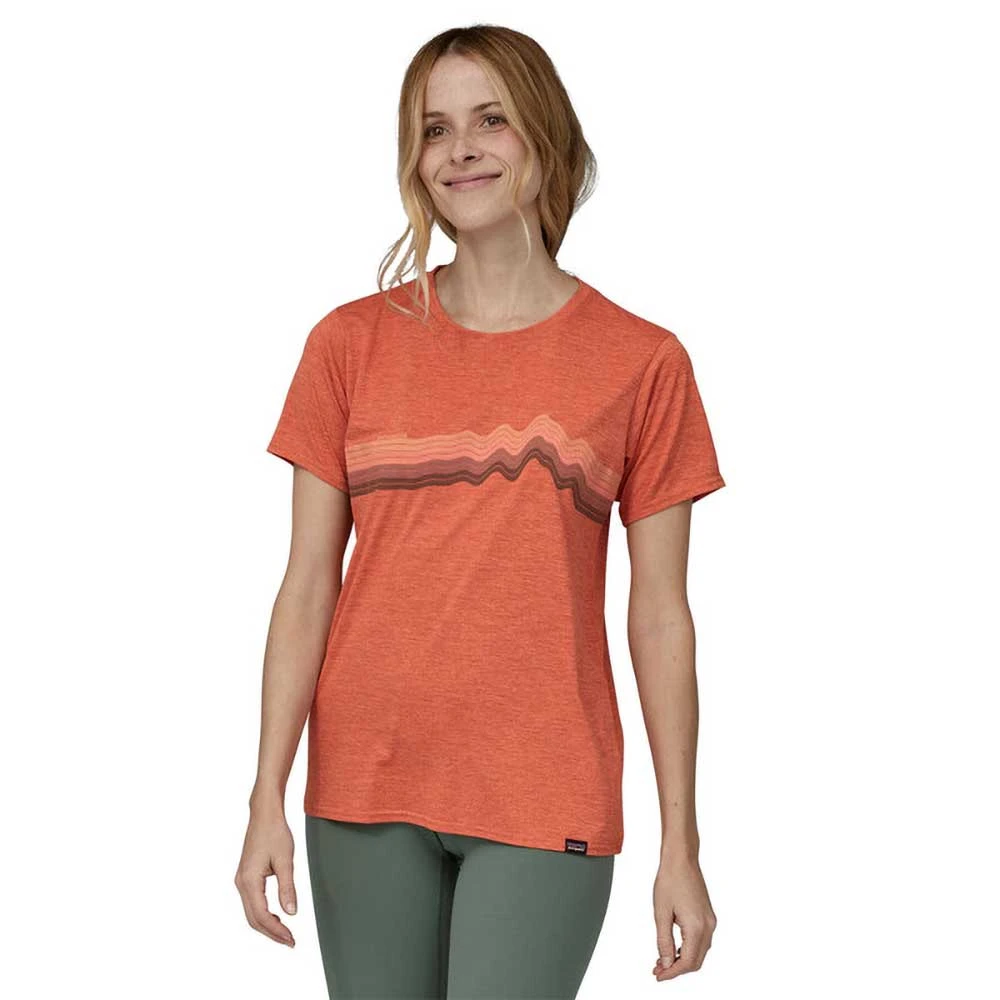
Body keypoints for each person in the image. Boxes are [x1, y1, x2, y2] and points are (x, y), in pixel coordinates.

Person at [235, 23, 724, 999]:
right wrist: (265, 796)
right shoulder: (347, 346)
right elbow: (306, 587)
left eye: (490, 120)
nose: (460, 149)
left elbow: (660, 614)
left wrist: (682, 843)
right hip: (363, 783)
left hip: (544, 784)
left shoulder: (641, 361)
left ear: (544, 134)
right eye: (434, 129)